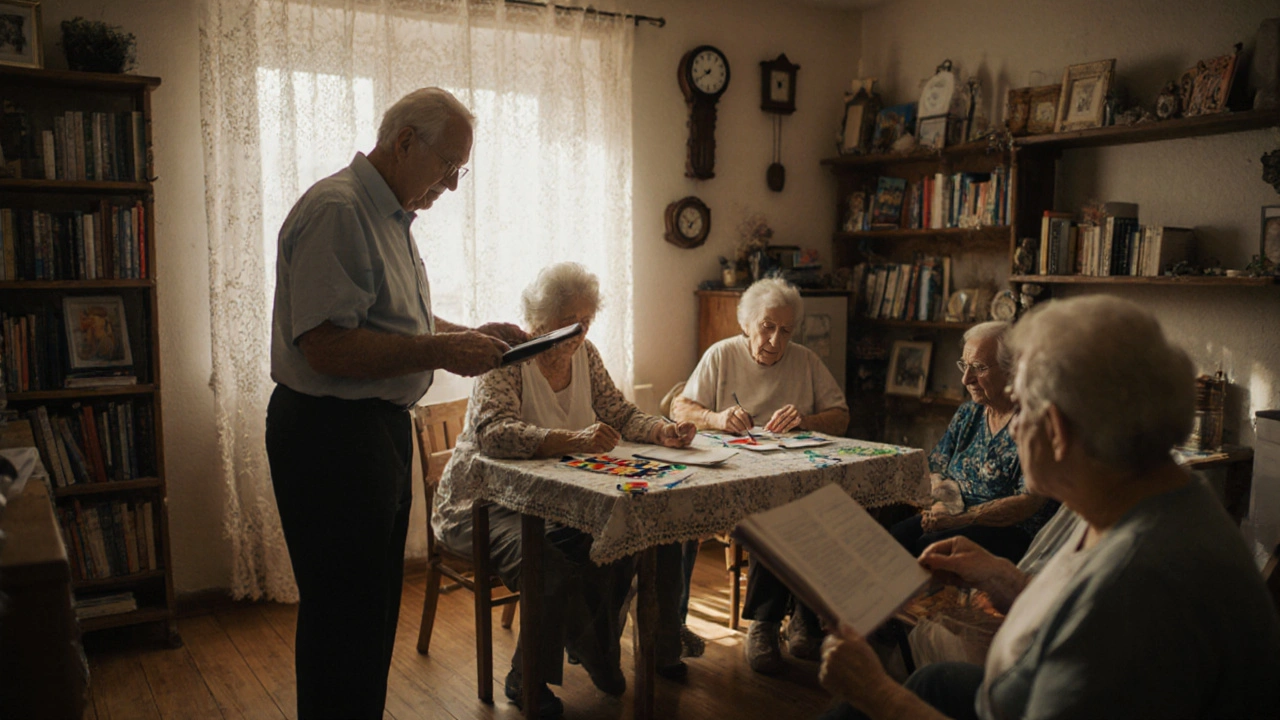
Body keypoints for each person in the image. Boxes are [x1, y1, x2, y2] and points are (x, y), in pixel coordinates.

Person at [818, 296, 1280, 720]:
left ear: (1055, 427)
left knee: (854, 711)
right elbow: (1075, 609)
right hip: (1023, 689)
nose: (1013, 427)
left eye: (1023, 407)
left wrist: (878, 693)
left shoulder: (1138, 585)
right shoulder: (1150, 495)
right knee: (933, 680)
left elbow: (1098, 614)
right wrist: (1006, 577)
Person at [265, 88, 527, 720]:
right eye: (450, 166)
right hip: (332, 435)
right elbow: (327, 346)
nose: (453, 185)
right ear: (406, 141)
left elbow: (392, 320)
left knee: (371, 612)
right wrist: (443, 350)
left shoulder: (386, 215)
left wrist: (468, 336)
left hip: (368, 433)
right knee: (345, 616)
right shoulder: (339, 209)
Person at [433, 262, 697, 717]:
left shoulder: (585, 355)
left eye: (586, 321)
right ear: (539, 320)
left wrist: (661, 431)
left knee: (623, 541)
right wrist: (570, 440)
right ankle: (538, 676)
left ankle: (594, 650)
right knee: (548, 567)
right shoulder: (508, 357)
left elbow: (620, 412)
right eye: (569, 322)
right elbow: (494, 435)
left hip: (553, 501)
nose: (579, 332)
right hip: (482, 504)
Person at [672, 277, 850, 675]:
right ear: (747, 325)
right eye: (767, 327)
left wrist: (805, 420)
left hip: (791, 474)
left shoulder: (805, 360)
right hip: (729, 478)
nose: (776, 340)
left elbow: (840, 415)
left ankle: (799, 618)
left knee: (807, 506)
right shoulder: (722, 354)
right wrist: (717, 417)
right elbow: (680, 408)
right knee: (778, 509)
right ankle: (766, 626)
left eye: (785, 330)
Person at [889, 321, 1053, 563]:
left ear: (1012, 369)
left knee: (930, 548)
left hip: (1008, 529)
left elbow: (1028, 502)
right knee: (892, 539)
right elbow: (935, 468)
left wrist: (961, 517)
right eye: (964, 366)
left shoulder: (1035, 423)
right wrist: (944, 505)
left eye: (979, 368)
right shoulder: (968, 414)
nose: (966, 379)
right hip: (953, 514)